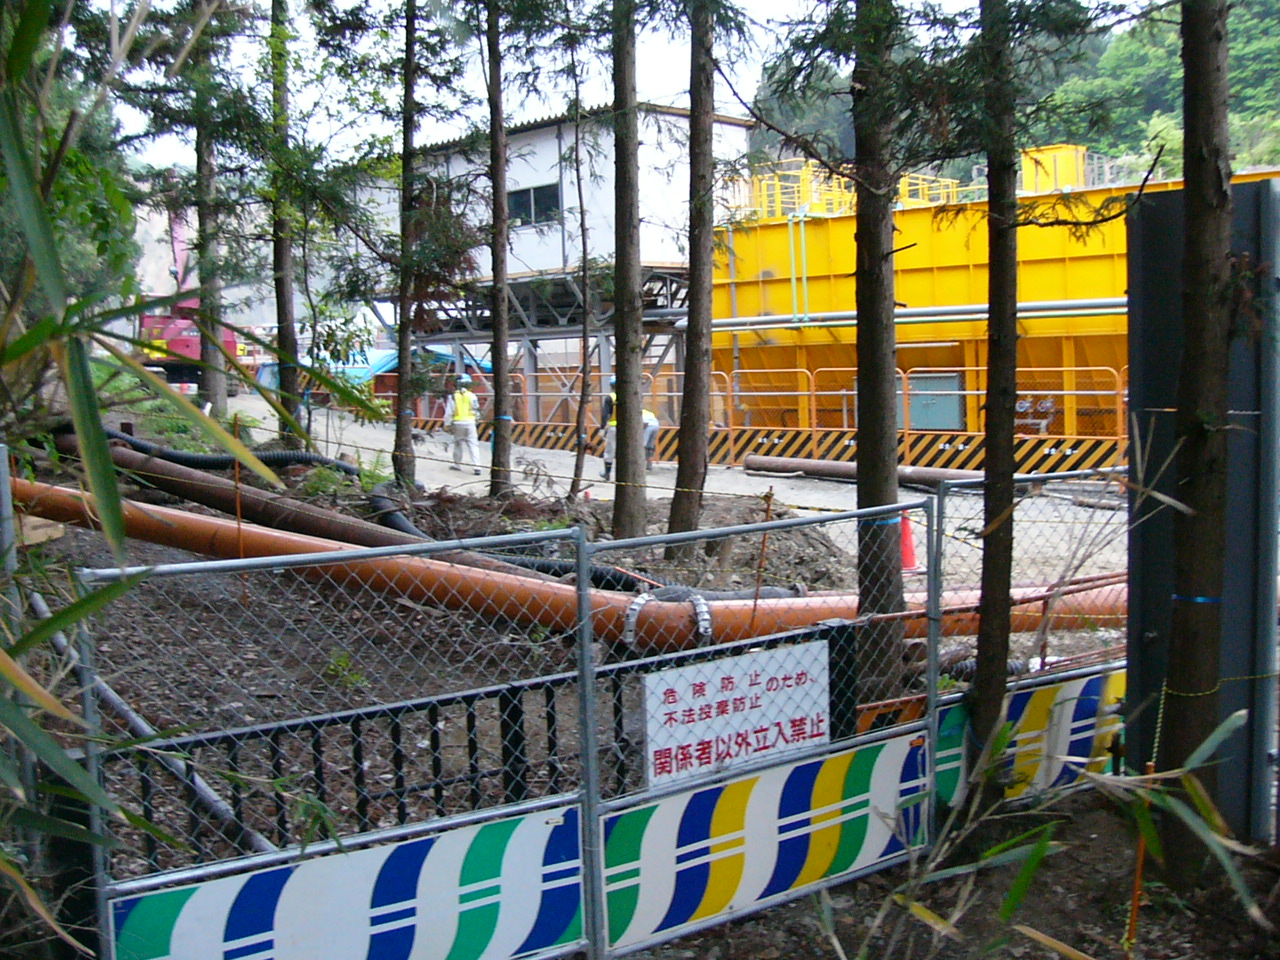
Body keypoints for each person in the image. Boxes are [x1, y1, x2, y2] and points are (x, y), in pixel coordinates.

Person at [444, 374, 481, 475]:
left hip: (458, 423)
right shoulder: (472, 396)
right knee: (473, 445)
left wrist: (447, 424)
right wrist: (476, 421)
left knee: (458, 444)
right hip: (470, 422)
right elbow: (476, 410)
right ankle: (477, 467)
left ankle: (457, 464)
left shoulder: (453, 397)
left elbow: (449, 412)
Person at [600, 376, 617, 480]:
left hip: (614, 427)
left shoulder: (610, 397)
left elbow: (605, 414)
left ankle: (607, 474)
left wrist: (602, 428)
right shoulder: (629, 396)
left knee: (610, 451)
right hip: (627, 428)